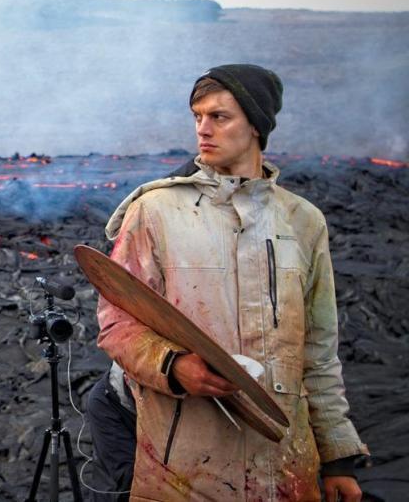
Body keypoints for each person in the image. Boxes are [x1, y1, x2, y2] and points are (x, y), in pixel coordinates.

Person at [94, 64, 368, 501]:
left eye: (219, 117)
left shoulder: (303, 222)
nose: (203, 129)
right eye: (197, 116)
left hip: (284, 467)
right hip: (182, 471)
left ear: (256, 125)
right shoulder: (156, 212)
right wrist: (172, 367)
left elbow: (318, 351)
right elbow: (117, 323)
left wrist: (337, 458)